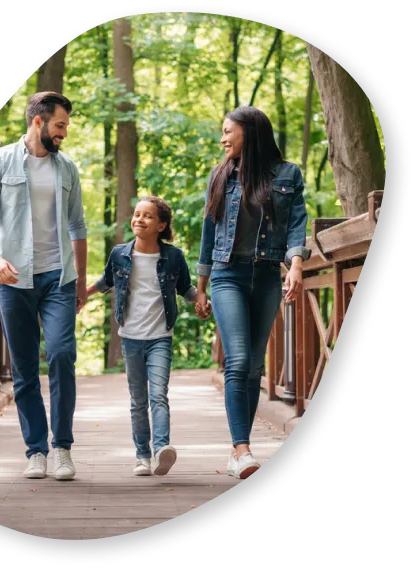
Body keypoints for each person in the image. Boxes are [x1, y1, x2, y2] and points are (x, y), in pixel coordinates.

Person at [0, 91, 87, 481]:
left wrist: (81, 281)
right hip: (14, 279)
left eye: (65, 126)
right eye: (59, 125)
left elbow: (77, 227)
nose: (64, 133)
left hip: (59, 278)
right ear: (38, 122)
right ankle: (35, 450)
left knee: (61, 354)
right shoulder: (0, 161)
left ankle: (63, 448)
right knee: (23, 367)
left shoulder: (66, 168)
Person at [195, 105, 311, 480]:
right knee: (240, 360)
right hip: (227, 274)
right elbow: (209, 232)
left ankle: (238, 451)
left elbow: (297, 224)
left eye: (228, 131)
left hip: (266, 276)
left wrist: (295, 264)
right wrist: (200, 285)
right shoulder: (220, 175)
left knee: (255, 366)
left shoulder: (287, 174)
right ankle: (241, 448)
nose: (223, 138)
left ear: (251, 131)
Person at [86, 196, 210, 476]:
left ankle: (162, 449)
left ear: (161, 225)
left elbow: (185, 288)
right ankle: (142, 455)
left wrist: (201, 301)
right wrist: (82, 294)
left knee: (158, 395)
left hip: (160, 337)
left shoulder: (173, 257)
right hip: (130, 337)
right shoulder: (119, 253)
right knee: (138, 400)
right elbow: (105, 281)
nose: (139, 219)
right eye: (137, 214)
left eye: (148, 216)